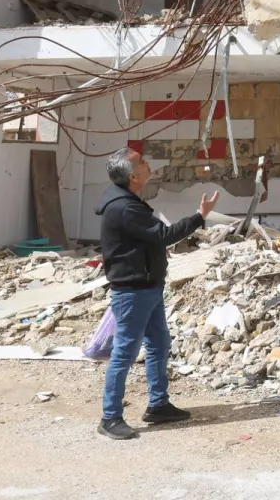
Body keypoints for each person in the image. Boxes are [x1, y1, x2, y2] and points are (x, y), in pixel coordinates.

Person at [94, 147, 218, 440]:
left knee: (159, 344)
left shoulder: (127, 200)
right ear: (134, 176)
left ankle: (158, 405)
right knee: (124, 353)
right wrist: (200, 216)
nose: (148, 165)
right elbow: (164, 235)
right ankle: (110, 417)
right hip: (134, 291)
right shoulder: (125, 208)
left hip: (147, 287)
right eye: (143, 163)